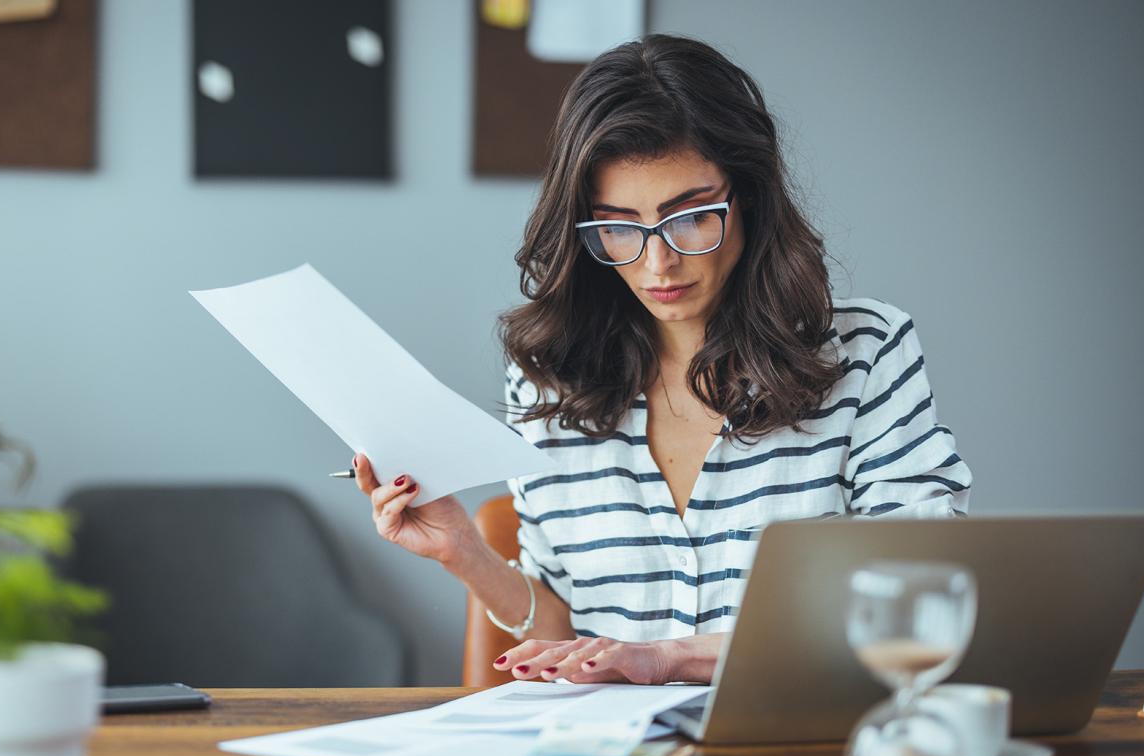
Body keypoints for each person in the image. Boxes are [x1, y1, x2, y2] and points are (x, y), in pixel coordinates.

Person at [353, 34, 971, 686]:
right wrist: (465, 553)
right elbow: (562, 636)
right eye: (617, 226)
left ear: (749, 198)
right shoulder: (547, 381)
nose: (657, 264)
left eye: (691, 217)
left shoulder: (865, 353)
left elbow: (919, 604)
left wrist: (671, 657)